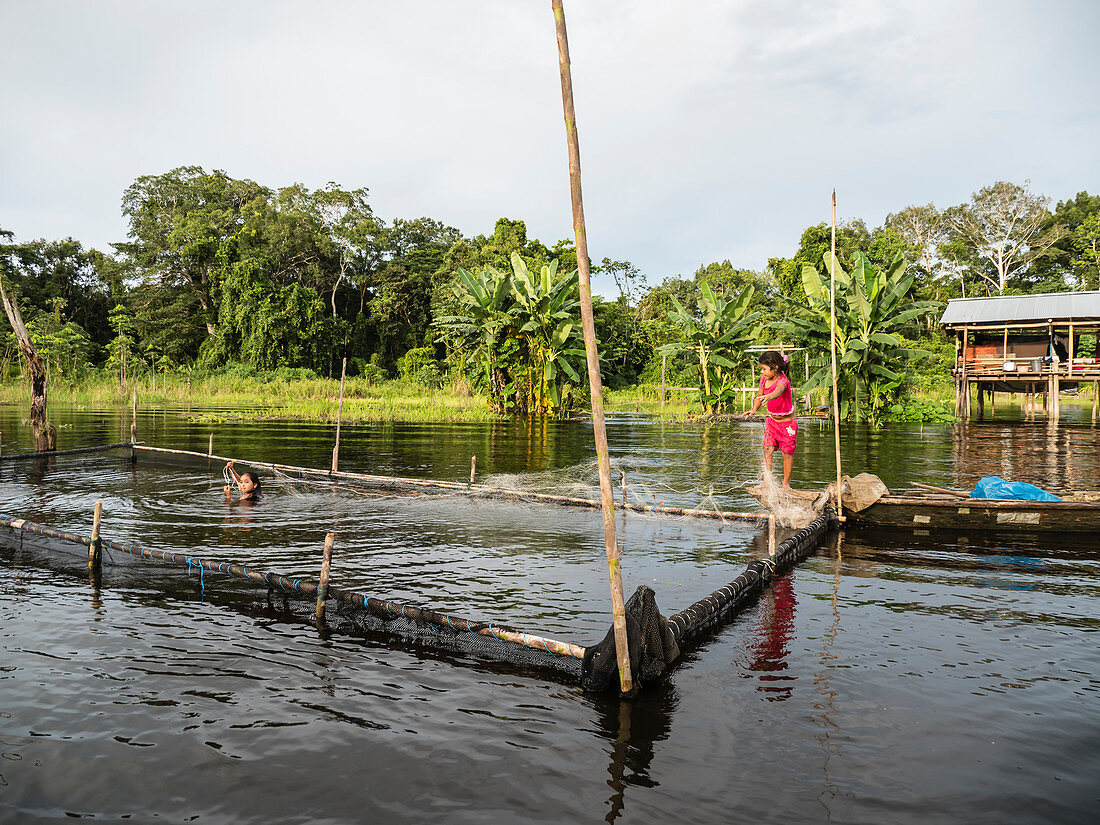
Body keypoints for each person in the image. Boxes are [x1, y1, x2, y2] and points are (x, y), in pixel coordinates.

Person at [742, 350, 797, 489]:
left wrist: (770, 396)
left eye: (764, 369)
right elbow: (759, 396)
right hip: (772, 422)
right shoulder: (763, 380)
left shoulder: (783, 381)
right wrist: (754, 409)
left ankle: (786, 483)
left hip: (787, 424)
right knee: (767, 450)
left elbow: (778, 391)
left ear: (775, 367)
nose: (763, 372)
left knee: (787, 453)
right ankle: (767, 480)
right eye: (762, 369)